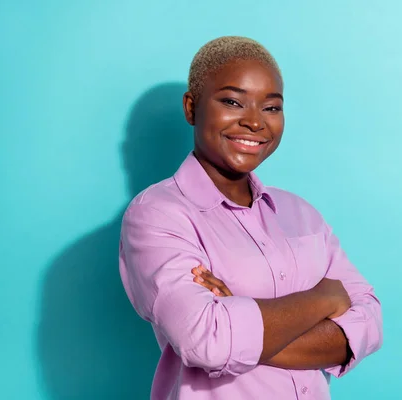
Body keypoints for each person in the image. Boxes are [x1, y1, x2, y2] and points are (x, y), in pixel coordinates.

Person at [119, 36, 383, 400]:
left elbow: (368, 323)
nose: (255, 122)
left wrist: (241, 320)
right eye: (232, 101)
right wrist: (324, 298)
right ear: (191, 108)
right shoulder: (157, 216)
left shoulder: (302, 214)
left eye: (271, 107)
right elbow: (208, 342)